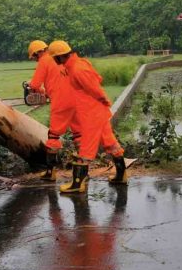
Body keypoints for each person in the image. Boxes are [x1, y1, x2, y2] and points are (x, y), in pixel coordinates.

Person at [48, 40, 127, 193]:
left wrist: (104, 99)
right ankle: (121, 175)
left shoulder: (77, 68)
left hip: (92, 113)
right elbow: (97, 78)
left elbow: (94, 86)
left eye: (54, 58)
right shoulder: (75, 65)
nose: (54, 61)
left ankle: (78, 184)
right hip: (95, 112)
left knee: (85, 149)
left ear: (59, 57)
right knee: (110, 143)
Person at [27, 40, 80, 181]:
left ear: (39, 52)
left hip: (60, 101)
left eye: (34, 56)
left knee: (53, 136)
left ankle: (51, 172)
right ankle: (82, 172)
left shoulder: (44, 61)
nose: (35, 59)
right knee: (78, 134)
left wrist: (31, 87)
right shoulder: (59, 58)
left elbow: (35, 84)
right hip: (75, 98)